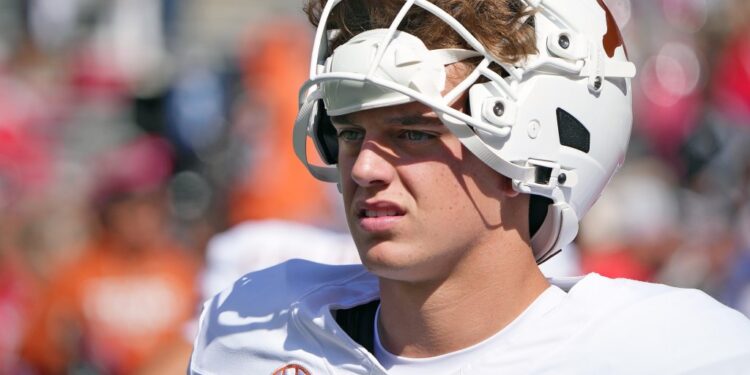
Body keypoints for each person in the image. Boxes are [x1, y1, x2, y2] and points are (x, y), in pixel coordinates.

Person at [189, 0, 750, 374]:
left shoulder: (681, 352)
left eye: (413, 132)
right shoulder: (251, 331)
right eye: (350, 132)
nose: (363, 169)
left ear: (532, 150)